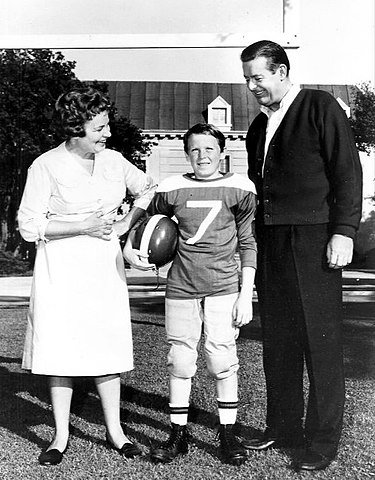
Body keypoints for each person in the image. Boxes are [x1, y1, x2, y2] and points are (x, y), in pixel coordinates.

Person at [240, 40, 363, 471]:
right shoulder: (259, 126)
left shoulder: (319, 106)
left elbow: (346, 170)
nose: (252, 86)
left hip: (313, 240)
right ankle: (283, 427)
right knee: (279, 342)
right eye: (247, 79)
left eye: (258, 77)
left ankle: (323, 440)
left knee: (320, 342)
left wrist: (343, 232)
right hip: (271, 243)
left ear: (282, 71)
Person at [18, 87, 156, 466]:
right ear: (75, 127)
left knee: (105, 347)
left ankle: (116, 431)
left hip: (104, 268)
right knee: (61, 351)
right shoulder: (45, 165)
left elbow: (149, 188)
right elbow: (29, 226)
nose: (107, 133)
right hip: (60, 269)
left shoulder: (113, 160)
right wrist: (82, 225)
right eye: (99, 127)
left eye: (107, 124)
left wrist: (129, 220)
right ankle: (60, 435)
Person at [124, 123, 257, 466]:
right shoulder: (172, 188)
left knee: (221, 359)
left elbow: (248, 243)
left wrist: (246, 294)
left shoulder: (239, 187)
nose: (203, 156)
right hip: (181, 285)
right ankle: (178, 433)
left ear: (222, 152)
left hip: (224, 285)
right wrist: (129, 244)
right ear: (187, 153)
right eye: (195, 149)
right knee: (180, 361)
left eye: (210, 149)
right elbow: (145, 218)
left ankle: (228, 433)